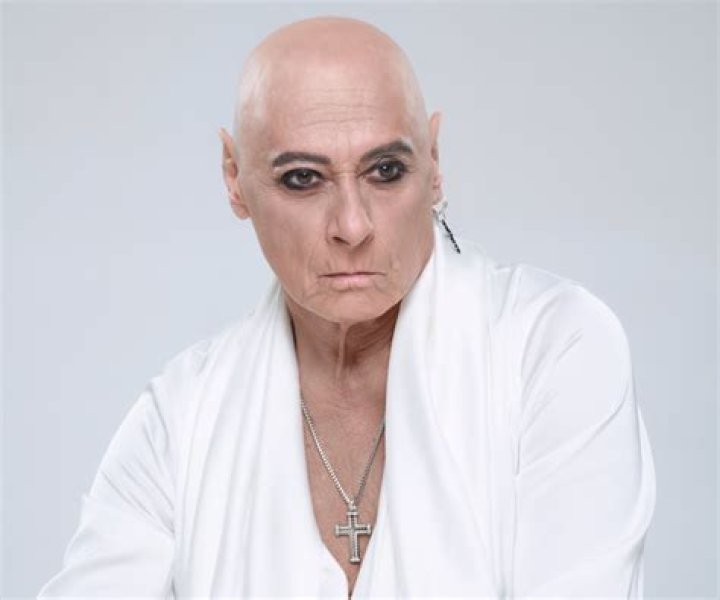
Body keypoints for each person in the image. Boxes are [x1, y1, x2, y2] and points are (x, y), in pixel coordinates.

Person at [38, 15, 656, 599]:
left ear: (434, 165)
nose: (353, 226)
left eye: (385, 170)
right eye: (302, 178)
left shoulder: (552, 349)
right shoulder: (182, 417)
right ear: (234, 179)